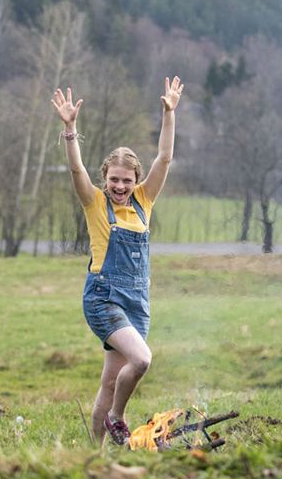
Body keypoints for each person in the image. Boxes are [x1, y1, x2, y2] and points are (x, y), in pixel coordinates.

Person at [51, 77, 184, 445]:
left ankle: (94, 454)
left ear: (136, 179)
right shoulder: (95, 202)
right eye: (114, 180)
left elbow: (165, 157)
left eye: (126, 180)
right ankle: (117, 417)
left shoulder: (145, 200)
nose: (120, 187)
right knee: (141, 361)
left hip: (137, 302)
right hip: (103, 298)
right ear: (105, 178)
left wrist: (168, 114)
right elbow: (77, 171)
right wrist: (70, 129)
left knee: (110, 382)